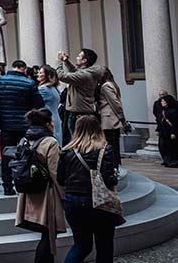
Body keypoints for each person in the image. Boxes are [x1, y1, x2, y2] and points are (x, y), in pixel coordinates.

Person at [58, 114, 122, 263]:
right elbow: (109, 179)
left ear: (77, 129)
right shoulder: (105, 150)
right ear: (98, 129)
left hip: (73, 201)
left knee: (81, 245)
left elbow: (61, 178)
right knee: (104, 245)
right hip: (99, 203)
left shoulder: (66, 151)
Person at [15, 108, 64, 263]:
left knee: (46, 234)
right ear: (49, 124)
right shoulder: (50, 142)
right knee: (49, 234)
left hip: (28, 191)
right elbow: (56, 172)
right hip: (46, 193)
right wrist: (64, 195)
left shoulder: (24, 139)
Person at [0, 60, 45, 196]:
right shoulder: (30, 83)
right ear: (24, 69)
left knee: (6, 155)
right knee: (26, 154)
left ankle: (7, 186)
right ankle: (24, 181)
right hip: (25, 126)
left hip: (7, 125)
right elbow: (39, 103)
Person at [56, 48, 105, 140]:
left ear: (84, 60)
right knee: (84, 138)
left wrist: (59, 61)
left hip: (78, 113)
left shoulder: (85, 75)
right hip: (84, 111)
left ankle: (80, 154)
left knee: (77, 139)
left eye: (79, 56)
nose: (76, 57)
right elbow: (76, 71)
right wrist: (66, 62)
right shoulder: (89, 72)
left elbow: (62, 76)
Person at [96, 68, 127, 173]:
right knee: (114, 144)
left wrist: (121, 115)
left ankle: (114, 167)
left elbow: (114, 102)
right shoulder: (111, 84)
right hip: (112, 118)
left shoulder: (105, 86)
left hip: (109, 119)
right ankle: (116, 166)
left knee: (111, 145)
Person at [37, 66, 63, 145]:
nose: (38, 74)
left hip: (47, 118)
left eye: (41, 73)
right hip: (55, 117)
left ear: (47, 75)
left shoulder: (43, 89)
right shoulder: (53, 88)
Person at [153, 91, 178, 168]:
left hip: (170, 132)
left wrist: (174, 133)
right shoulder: (163, 110)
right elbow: (160, 120)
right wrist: (158, 129)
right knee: (162, 146)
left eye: (163, 101)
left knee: (171, 147)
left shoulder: (174, 111)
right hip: (163, 132)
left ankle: (173, 161)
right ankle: (167, 161)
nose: (162, 102)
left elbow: (176, 123)